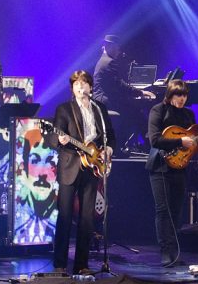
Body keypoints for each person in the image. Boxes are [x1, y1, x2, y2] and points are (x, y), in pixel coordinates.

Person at [145, 79, 198, 267]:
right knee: (163, 210)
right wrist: (179, 142)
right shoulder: (158, 111)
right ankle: (165, 251)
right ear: (170, 95)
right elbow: (154, 140)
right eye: (178, 95)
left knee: (177, 211)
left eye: (184, 95)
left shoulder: (188, 114)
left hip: (181, 166)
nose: (182, 99)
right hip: (160, 166)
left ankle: (175, 252)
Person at [50, 70, 115, 276]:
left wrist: (108, 150)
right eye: (76, 84)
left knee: (87, 218)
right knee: (66, 216)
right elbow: (53, 135)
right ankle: (60, 264)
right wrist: (59, 140)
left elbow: (110, 137)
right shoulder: (64, 109)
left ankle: (81, 264)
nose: (80, 87)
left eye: (84, 83)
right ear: (72, 88)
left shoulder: (99, 109)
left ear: (90, 87)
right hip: (70, 166)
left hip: (93, 167)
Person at [92, 34, 155, 142]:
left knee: (134, 110)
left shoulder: (103, 61)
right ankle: (149, 144)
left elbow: (116, 84)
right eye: (117, 48)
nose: (119, 51)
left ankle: (127, 143)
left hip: (101, 99)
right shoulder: (108, 62)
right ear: (109, 47)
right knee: (137, 113)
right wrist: (141, 92)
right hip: (105, 100)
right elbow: (119, 86)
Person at [14, 125, 57, 244]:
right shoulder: (19, 213)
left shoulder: (59, 214)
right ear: (24, 167)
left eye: (49, 162)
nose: (42, 173)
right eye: (35, 161)